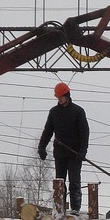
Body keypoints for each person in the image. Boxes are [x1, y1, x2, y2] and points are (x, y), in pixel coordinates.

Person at [38, 82, 90, 213]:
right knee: (60, 183)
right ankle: (60, 208)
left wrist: (83, 151)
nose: (60, 99)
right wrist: (41, 148)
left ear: (67, 95)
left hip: (75, 154)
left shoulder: (78, 111)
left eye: (61, 96)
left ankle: (75, 208)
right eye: (58, 97)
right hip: (60, 153)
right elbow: (47, 131)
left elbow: (84, 133)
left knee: (74, 182)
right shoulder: (54, 112)